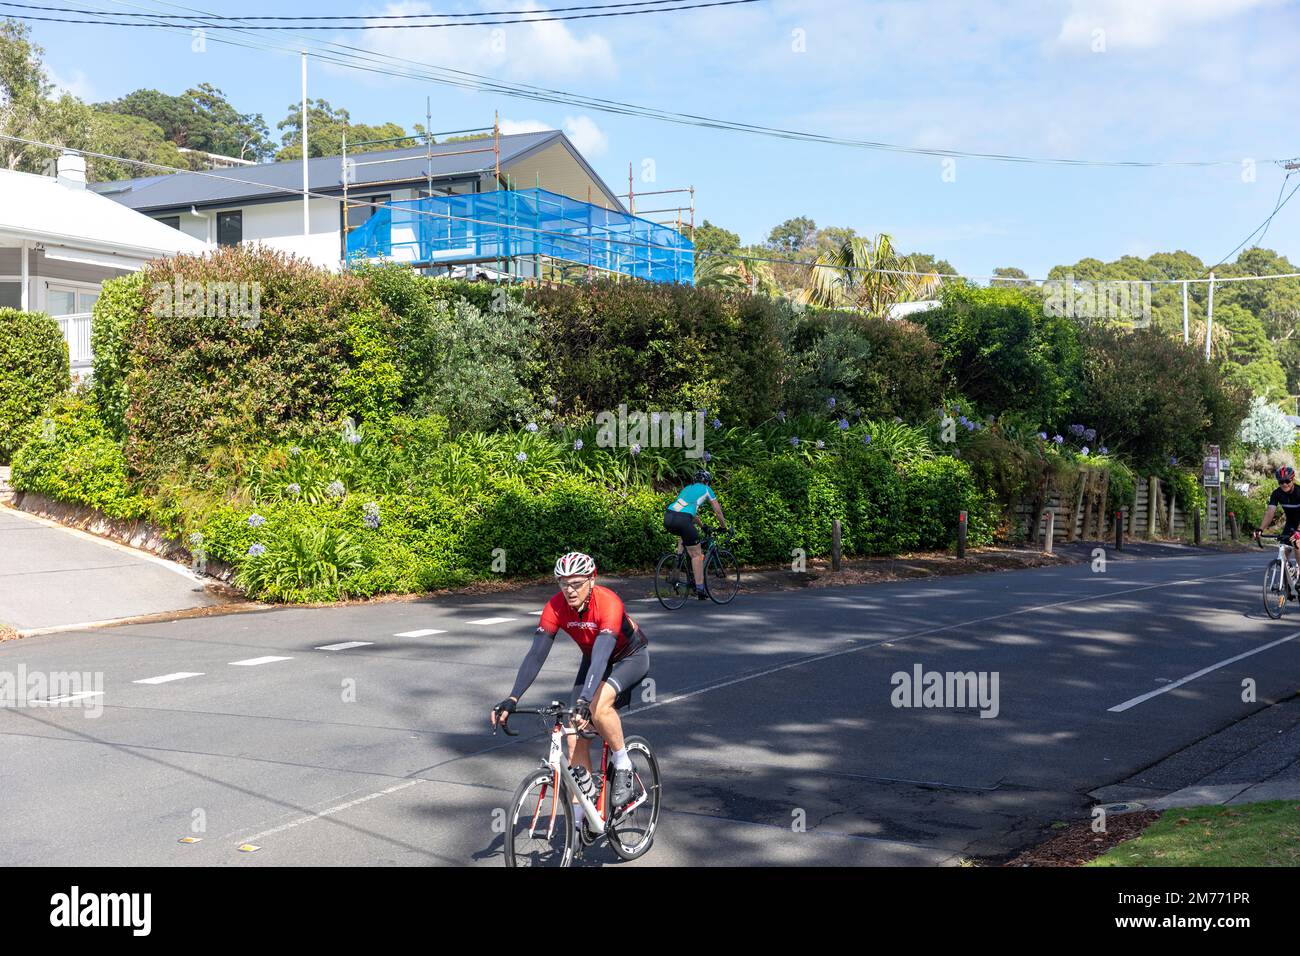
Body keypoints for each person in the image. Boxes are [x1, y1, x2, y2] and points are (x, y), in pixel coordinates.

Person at [491, 551, 650, 818]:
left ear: (592, 580)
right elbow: (536, 654)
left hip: (628, 657)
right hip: (594, 659)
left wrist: (585, 701)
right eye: (563, 583)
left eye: (576, 583)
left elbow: (602, 654)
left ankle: (623, 765)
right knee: (574, 736)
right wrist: (513, 697)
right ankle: (581, 817)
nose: (569, 590)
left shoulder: (608, 602)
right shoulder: (555, 606)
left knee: (598, 709)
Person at [664, 469, 728, 600]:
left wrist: (702, 526)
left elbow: (689, 513)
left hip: (669, 517)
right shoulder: (706, 489)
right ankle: (699, 589)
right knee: (696, 554)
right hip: (683, 519)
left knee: (683, 536)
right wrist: (723, 526)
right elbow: (718, 511)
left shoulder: (687, 488)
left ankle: (678, 561)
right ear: (707, 481)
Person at [1254, 465, 1300, 595]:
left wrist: (1299, 531)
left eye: (1287, 481)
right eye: (1281, 482)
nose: (1284, 484)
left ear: (1293, 480)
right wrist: (1260, 529)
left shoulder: (1299, 492)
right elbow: (1270, 513)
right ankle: (1287, 586)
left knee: (1297, 543)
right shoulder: (1277, 493)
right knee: (1283, 552)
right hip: (1290, 523)